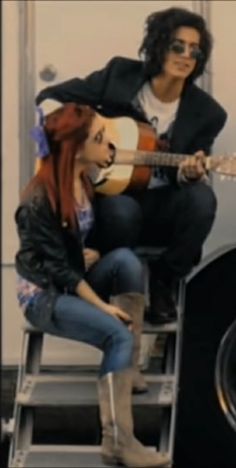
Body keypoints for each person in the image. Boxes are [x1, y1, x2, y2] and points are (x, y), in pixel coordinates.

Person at [35, 7, 227, 325]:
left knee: (203, 198)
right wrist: (81, 140)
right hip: (113, 204)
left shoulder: (208, 113)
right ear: (158, 46)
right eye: (177, 45)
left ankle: (165, 280)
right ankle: (109, 280)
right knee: (122, 209)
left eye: (195, 50)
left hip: (162, 207)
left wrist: (190, 171)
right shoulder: (119, 76)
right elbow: (49, 98)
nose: (186, 55)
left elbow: (191, 168)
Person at [15, 101, 169, 467]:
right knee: (116, 333)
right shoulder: (38, 199)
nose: (109, 147)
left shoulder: (83, 179)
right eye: (101, 139)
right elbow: (59, 273)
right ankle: (118, 441)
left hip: (73, 278)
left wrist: (89, 254)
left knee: (126, 262)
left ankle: (126, 370)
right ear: (77, 147)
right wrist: (103, 307)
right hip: (45, 295)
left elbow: (71, 247)